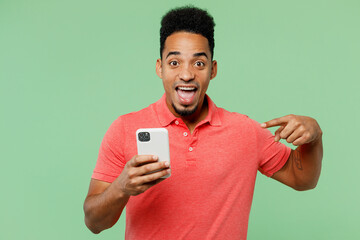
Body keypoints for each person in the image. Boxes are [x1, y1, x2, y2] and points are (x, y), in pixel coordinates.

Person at [83, 6, 323, 240]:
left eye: (198, 63)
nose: (186, 74)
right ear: (160, 67)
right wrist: (121, 188)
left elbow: (303, 180)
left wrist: (314, 137)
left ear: (213, 69)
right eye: (174, 62)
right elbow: (94, 223)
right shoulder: (125, 129)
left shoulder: (245, 131)